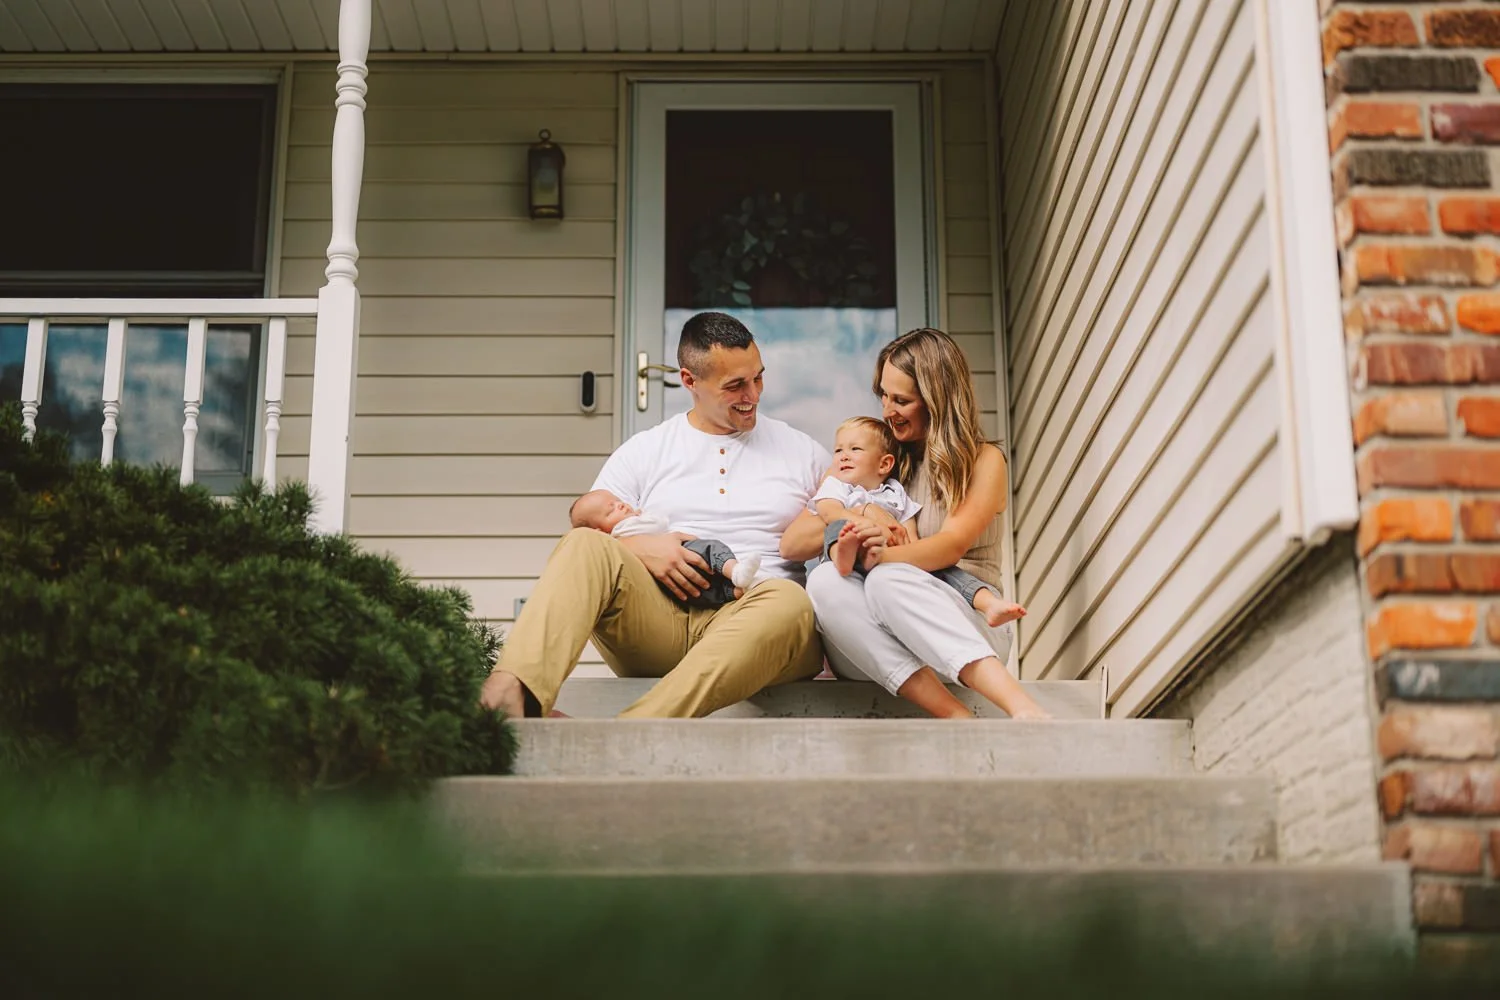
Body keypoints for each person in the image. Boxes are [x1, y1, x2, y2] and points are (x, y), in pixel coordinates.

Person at [479, 311, 831, 719]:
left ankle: (633, 729)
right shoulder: (646, 450)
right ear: (689, 381)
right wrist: (640, 547)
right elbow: (593, 524)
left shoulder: (802, 452)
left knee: (788, 598)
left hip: (759, 628)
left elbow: (839, 528)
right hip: (662, 624)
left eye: (758, 377)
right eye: (734, 385)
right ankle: (511, 692)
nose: (752, 394)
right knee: (583, 544)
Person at [796, 328, 1051, 721]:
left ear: (937, 401)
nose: (886, 410)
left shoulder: (983, 461)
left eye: (901, 400)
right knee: (825, 580)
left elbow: (950, 547)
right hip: (878, 647)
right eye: (883, 395)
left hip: (965, 630)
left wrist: (881, 554)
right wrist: (864, 514)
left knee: (887, 578)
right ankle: (954, 715)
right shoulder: (875, 456)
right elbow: (793, 542)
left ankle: (1022, 709)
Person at [811, 415, 1028, 630]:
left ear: (885, 464)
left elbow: (908, 527)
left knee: (943, 569)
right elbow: (830, 511)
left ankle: (988, 603)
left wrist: (909, 549)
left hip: (891, 558)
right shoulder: (837, 485)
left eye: (855, 449)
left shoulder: (894, 492)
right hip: (855, 540)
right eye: (838, 450)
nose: (844, 456)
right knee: (836, 529)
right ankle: (844, 555)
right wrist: (864, 520)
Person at [568, 488, 768, 607]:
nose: (620, 506)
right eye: (609, 510)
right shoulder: (625, 527)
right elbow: (660, 524)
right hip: (685, 554)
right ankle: (735, 571)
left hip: (671, 586)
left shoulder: (618, 535)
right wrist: (641, 515)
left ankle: (738, 587)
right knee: (710, 548)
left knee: (701, 594)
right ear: (599, 532)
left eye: (618, 502)